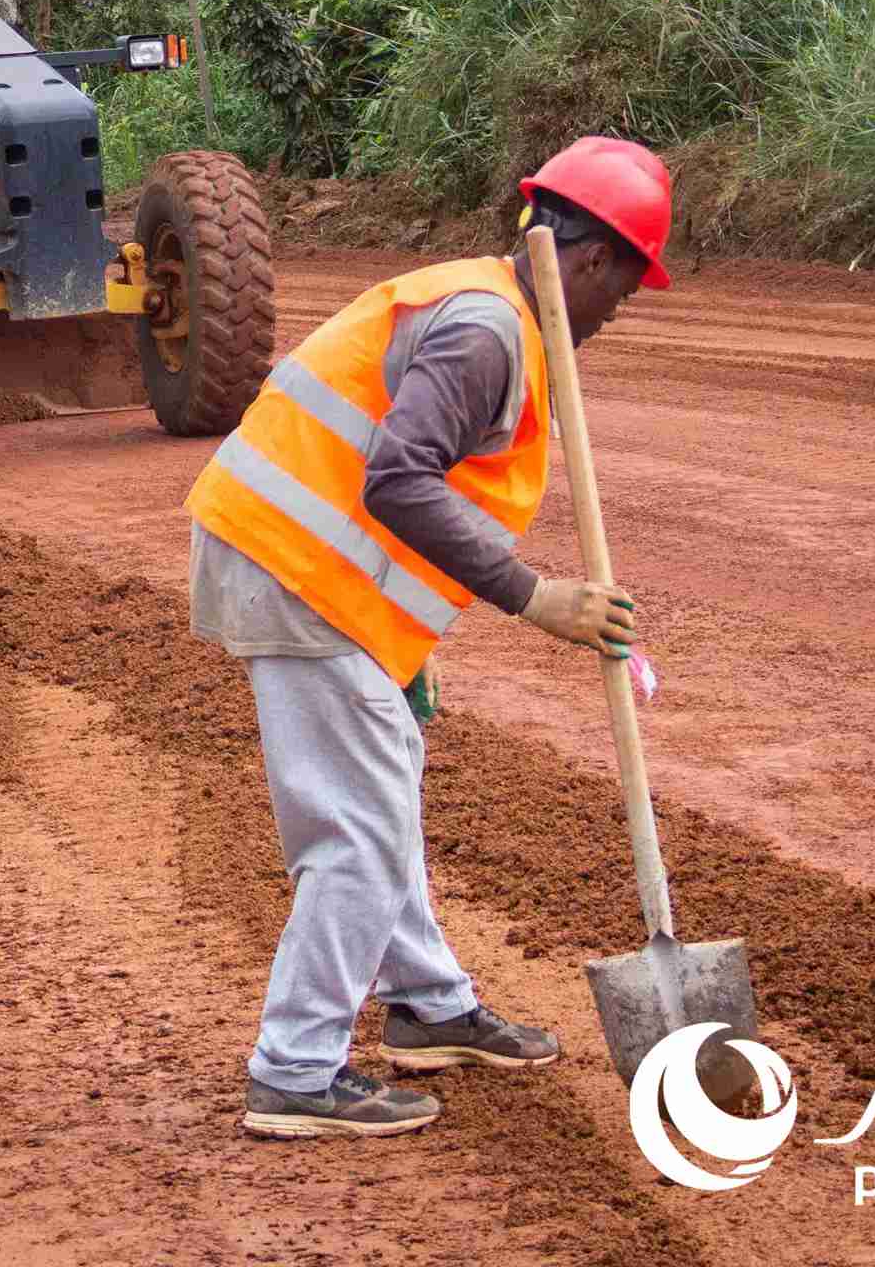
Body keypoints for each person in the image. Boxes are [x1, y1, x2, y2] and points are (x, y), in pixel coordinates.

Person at [183, 135, 672, 1140]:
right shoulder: (486, 332)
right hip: (294, 569)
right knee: (358, 826)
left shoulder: (494, 309)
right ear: (590, 261)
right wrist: (537, 598)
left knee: (387, 777)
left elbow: (398, 483)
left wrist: (405, 646)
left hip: (319, 573)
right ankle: (295, 1068)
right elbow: (399, 480)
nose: (614, 315)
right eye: (622, 294)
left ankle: (428, 1005)